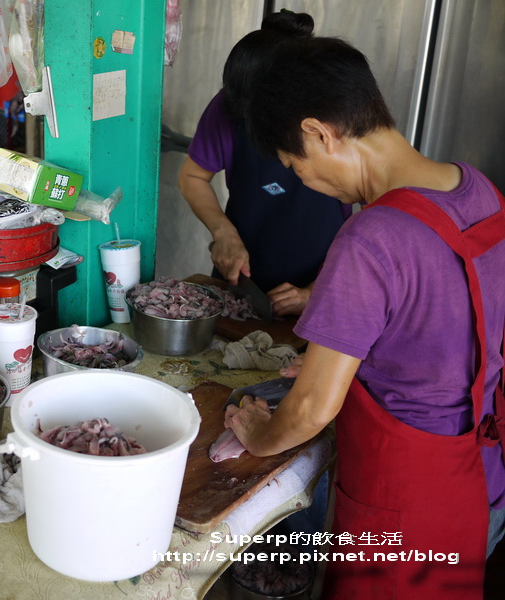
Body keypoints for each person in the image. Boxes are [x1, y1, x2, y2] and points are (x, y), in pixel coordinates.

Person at [226, 35, 505, 599]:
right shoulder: (479, 190)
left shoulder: (370, 236)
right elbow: (446, 322)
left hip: (403, 505)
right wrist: (338, 353)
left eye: (293, 165)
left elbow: (310, 409)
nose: (302, 180)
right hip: (483, 481)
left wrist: (259, 437)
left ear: (318, 133)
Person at [178, 10, 347, 316]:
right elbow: (192, 177)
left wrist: (317, 291)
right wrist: (223, 232)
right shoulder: (232, 103)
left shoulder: (337, 119)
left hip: (325, 288)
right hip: (243, 283)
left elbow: (374, 230)